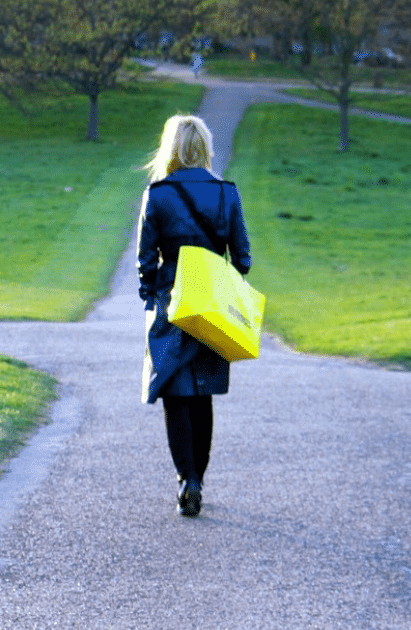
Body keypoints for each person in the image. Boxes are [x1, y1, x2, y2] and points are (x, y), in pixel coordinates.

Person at [137, 114, 252, 517]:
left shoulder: (158, 194)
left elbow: (145, 262)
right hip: (212, 304)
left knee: (174, 393)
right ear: (203, 147)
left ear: (170, 148)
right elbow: (244, 259)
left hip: (171, 302)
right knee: (202, 394)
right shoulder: (227, 193)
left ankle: (186, 478)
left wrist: (151, 297)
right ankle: (198, 478)